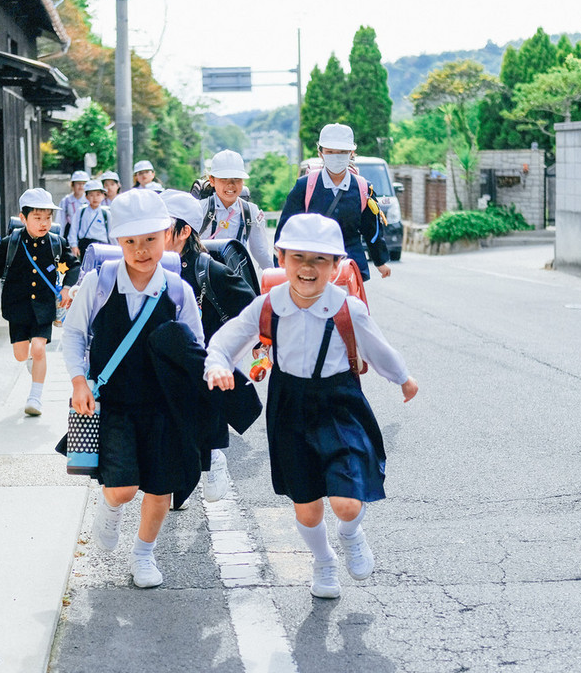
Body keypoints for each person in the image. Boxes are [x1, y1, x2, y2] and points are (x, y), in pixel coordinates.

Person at [205, 214, 418, 599]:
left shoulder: (347, 308)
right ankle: (323, 561)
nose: (307, 267)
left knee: (348, 504)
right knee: (306, 508)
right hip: (289, 407)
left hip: (340, 405)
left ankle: (351, 535)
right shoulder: (267, 306)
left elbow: (377, 349)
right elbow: (226, 340)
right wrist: (217, 364)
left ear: (336, 265)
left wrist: (402, 378)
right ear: (281, 257)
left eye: (320, 259)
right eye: (298, 256)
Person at [61, 189, 204, 588]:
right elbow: (73, 335)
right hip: (115, 405)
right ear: (117, 242)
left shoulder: (179, 291)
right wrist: (78, 381)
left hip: (164, 407)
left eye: (150, 240)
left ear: (168, 234)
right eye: (130, 242)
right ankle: (108, 509)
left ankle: (143, 554)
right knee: (122, 489)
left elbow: (197, 349)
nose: (141, 250)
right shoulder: (99, 282)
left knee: (160, 489)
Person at [161, 190, 257, 510]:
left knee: (200, 427)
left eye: (163, 226)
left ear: (184, 231)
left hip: (203, 366)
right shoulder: (145, 266)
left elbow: (252, 309)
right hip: (162, 365)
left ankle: (215, 457)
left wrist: (247, 348)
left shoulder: (208, 270)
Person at [0, 188, 79, 416]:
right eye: (38, 218)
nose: (44, 223)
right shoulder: (11, 243)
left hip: (44, 306)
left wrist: (68, 288)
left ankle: (35, 398)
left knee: (39, 348)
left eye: (48, 218)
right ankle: (31, 360)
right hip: (17, 306)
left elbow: (73, 265)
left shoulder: (56, 243)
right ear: (23, 218)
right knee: (21, 354)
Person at [275, 124, 391, 281]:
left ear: (352, 153)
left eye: (342, 152)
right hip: (312, 264)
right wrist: (279, 264)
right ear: (320, 153)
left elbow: (372, 229)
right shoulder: (305, 186)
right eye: (330, 152)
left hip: (351, 267)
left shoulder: (363, 188)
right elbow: (287, 226)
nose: (336, 157)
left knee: (350, 306)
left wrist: (380, 261)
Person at [198, 150, 271, 270]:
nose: (231, 184)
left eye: (236, 179)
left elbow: (260, 252)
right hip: (203, 275)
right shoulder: (200, 209)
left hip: (235, 277)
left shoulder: (250, 212)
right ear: (212, 180)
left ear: (243, 181)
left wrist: (273, 279)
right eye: (224, 179)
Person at [69, 179, 110, 258]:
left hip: (103, 245)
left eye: (98, 194)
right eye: (91, 195)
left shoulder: (106, 213)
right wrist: (74, 245)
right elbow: (74, 229)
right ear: (86, 196)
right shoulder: (81, 211)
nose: (95, 198)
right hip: (85, 245)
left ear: (103, 195)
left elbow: (110, 233)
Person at [57, 170, 89, 241]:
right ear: (72, 185)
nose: (81, 186)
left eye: (84, 183)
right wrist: (59, 238)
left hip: (85, 232)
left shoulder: (89, 200)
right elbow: (60, 221)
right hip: (69, 232)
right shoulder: (66, 201)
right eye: (78, 183)